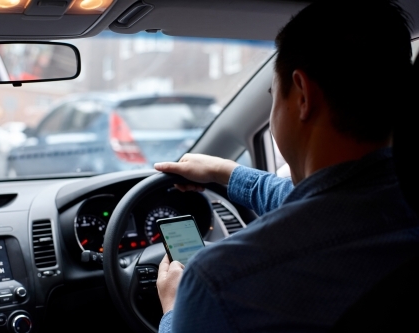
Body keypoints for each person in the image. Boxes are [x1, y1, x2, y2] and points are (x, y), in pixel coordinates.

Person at [154, 0, 418, 332]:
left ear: (303, 96)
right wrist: (226, 171)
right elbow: (324, 203)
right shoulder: (399, 204)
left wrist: (175, 309)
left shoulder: (221, 282)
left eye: (273, 94)